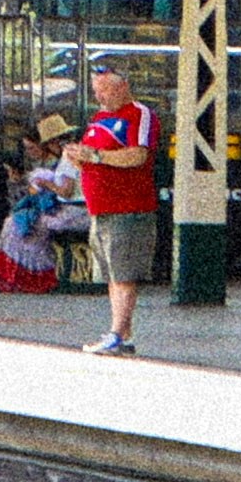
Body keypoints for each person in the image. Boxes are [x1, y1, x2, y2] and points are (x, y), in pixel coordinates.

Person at [71, 66, 169, 353]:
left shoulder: (138, 115)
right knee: (111, 274)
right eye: (96, 90)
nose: (99, 96)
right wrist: (80, 158)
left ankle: (117, 332)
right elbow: (91, 158)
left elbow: (138, 155)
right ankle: (121, 333)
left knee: (124, 273)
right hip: (99, 209)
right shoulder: (99, 118)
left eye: (105, 89)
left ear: (123, 87)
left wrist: (98, 156)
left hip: (128, 207)